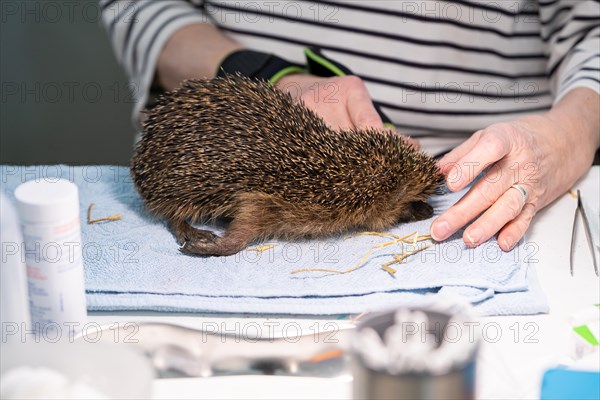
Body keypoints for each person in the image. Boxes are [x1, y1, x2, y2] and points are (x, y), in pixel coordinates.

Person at [100, 0, 599, 251]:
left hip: (496, 176)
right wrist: (261, 71)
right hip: (228, 120)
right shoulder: (314, 201)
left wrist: (567, 137)